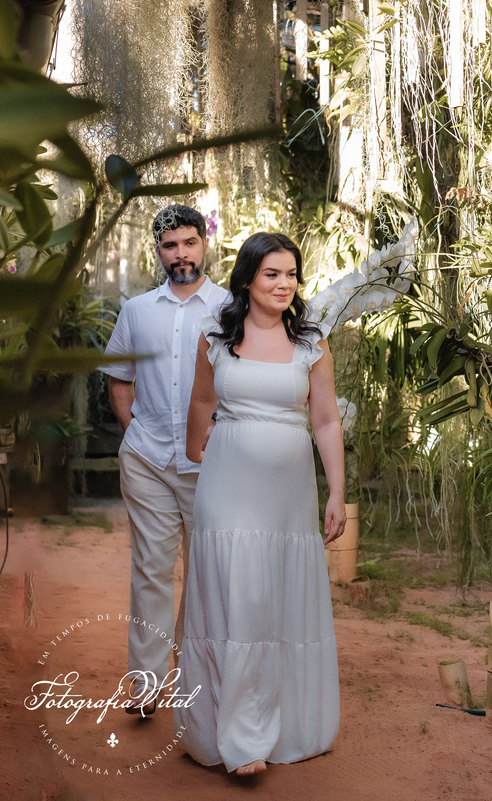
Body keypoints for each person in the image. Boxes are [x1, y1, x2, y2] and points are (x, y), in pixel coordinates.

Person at [177, 231, 344, 776]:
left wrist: (337, 491)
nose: (284, 284)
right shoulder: (217, 338)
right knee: (239, 598)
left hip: (288, 499)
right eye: (272, 273)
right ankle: (238, 738)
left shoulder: (311, 343)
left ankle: (287, 724)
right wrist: (198, 451)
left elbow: (325, 419)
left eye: (291, 273)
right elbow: (203, 402)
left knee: (275, 601)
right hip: (227, 487)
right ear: (248, 278)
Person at [100, 204, 231, 714]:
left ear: (204, 244)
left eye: (189, 243)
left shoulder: (229, 307)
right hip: (148, 459)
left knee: (206, 573)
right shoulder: (136, 310)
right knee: (151, 570)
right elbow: (119, 381)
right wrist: (137, 435)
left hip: (212, 464)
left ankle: (197, 683)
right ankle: (146, 687)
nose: (181, 254)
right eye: (170, 246)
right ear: (158, 251)